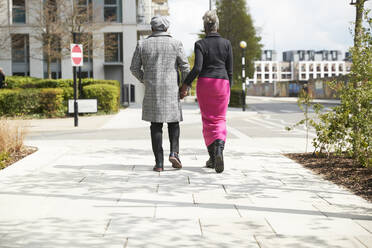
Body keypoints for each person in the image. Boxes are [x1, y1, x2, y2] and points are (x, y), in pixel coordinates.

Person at [130, 16, 190, 172]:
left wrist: (146, 80)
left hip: (152, 90)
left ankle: (159, 163)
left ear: (152, 28)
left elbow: (134, 68)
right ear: (167, 28)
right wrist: (184, 87)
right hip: (172, 90)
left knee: (155, 125)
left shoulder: (142, 44)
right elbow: (185, 68)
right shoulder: (176, 44)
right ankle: (174, 153)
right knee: (174, 122)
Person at [180, 10, 233, 173]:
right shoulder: (227, 44)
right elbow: (230, 70)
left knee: (208, 120)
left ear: (205, 27)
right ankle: (219, 150)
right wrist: (228, 88)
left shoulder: (200, 44)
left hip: (205, 84)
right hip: (222, 83)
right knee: (220, 119)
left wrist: (186, 84)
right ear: (217, 26)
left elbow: (197, 68)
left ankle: (212, 157)